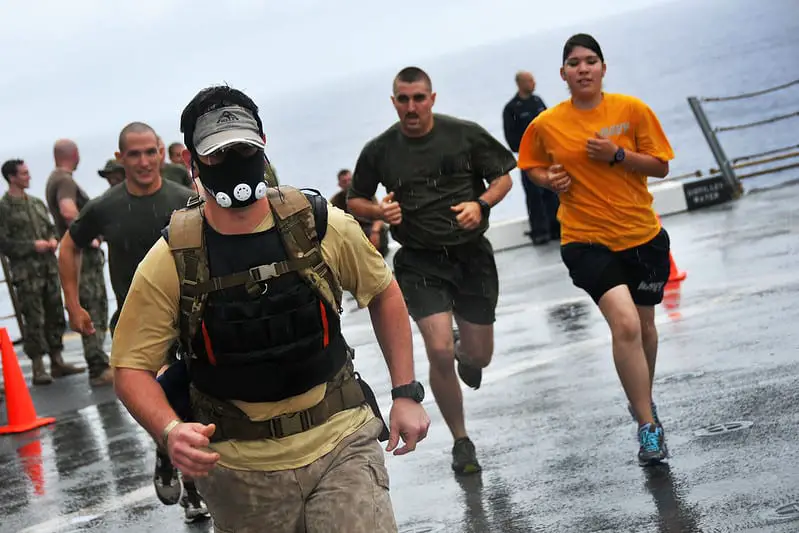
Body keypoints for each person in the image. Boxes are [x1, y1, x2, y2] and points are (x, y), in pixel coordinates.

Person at [109, 85, 430, 532]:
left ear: (263, 144)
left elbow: (383, 293)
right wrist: (169, 431)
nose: (235, 162)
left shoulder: (320, 225)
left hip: (341, 444)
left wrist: (405, 393)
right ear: (191, 161)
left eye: (244, 148)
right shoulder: (170, 260)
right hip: (241, 473)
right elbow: (130, 367)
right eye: (219, 154)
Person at [348, 66, 516, 475]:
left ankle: (466, 352)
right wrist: (379, 211)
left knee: (479, 355)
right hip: (419, 260)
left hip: (471, 256)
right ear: (394, 103)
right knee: (436, 349)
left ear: (432, 99)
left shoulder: (464, 133)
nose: (411, 107)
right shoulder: (380, 149)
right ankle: (461, 441)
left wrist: (482, 205)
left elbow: (503, 177)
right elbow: (356, 200)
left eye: (418, 98)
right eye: (403, 99)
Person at [517, 33, 674, 466]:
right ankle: (647, 427)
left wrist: (619, 155)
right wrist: (550, 180)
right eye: (574, 63)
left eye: (590, 61)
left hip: (641, 236)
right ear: (563, 74)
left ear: (603, 68)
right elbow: (528, 163)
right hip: (584, 240)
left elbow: (661, 165)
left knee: (644, 329)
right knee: (624, 324)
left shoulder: (632, 110)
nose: (583, 68)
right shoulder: (547, 123)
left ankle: (642, 401)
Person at [56, 123, 206, 521]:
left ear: (161, 153)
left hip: (188, 322)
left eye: (149, 152)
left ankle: (170, 456)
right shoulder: (105, 206)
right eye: (134, 155)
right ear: (121, 160)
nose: (143, 161)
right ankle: (183, 477)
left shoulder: (184, 200)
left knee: (192, 404)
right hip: (136, 326)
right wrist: (73, 305)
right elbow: (68, 246)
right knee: (167, 401)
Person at [0, 159, 85, 384]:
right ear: (12, 177)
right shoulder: (4, 207)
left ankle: (57, 361)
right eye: (24, 174)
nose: (28, 177)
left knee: (55, 313)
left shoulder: (36, 203)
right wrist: (31, 246)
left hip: (48, 269)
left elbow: (50, 228)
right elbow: (4, 242)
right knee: (34, 317)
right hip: (26, 273)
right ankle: (38, 367)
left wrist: (52, 239)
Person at [44, 139, 113, 387]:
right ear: (75, 155)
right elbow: (67, 210)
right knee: (93, 307)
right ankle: (98, 367)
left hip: (77, 254)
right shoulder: (64, 180)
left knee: (89, 305)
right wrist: (91, 236)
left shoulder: (54, 179)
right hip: (82, 256)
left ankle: (98, 363)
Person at [502, 70, 559, 245]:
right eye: (529, 80)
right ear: (520, 83)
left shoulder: (537, 101)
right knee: (534, 196)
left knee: (553, 192)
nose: (533, 83)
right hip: (529, 160)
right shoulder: (512, 108)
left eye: (533, 80)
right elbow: (511, 138)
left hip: (547, 157)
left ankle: (557, 229)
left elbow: (550, 123)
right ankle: (540, 232)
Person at [330, 169, 389, 257]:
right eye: (344, 181)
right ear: (340, 184)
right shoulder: (336, 200)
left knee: (382, 228)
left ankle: (382, 257)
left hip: (369, 228)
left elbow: (379, 215)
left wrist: (375, 232)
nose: (348, 183)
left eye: (350, 180)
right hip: (350, 232)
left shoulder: (366, 194)